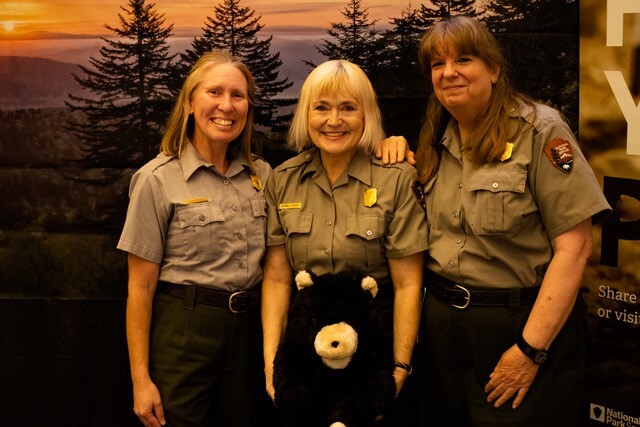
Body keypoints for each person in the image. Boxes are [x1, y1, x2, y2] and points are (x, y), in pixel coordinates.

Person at [413, 16, 612, 426]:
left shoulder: (540, 130)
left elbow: (575, 249)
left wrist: (529, 350)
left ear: (494, 68)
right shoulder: (435, 136)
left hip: (517, 327)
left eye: (463, 59)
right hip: (441, 336)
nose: (448, 72)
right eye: (437, 64)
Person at [261, 59, 427, 425]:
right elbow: (275, 280)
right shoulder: (282, 181)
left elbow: (408, 284)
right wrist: (274, 367)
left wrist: (398, 371)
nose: (333, 121)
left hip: (373, 355)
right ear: (306, 114)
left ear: (366, 115)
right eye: (321, 108)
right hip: (304, 358)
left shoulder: (396, 180)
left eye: (348, 108)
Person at [117, 50, 272, 427]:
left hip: (250, 334)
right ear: (189, 103)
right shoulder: (156, 179)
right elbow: (139, 287)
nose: (227, 106)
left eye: (238, 96)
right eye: (214, 92)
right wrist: (140, 380)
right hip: (185, 331)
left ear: (248, 107)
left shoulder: (263, 174)